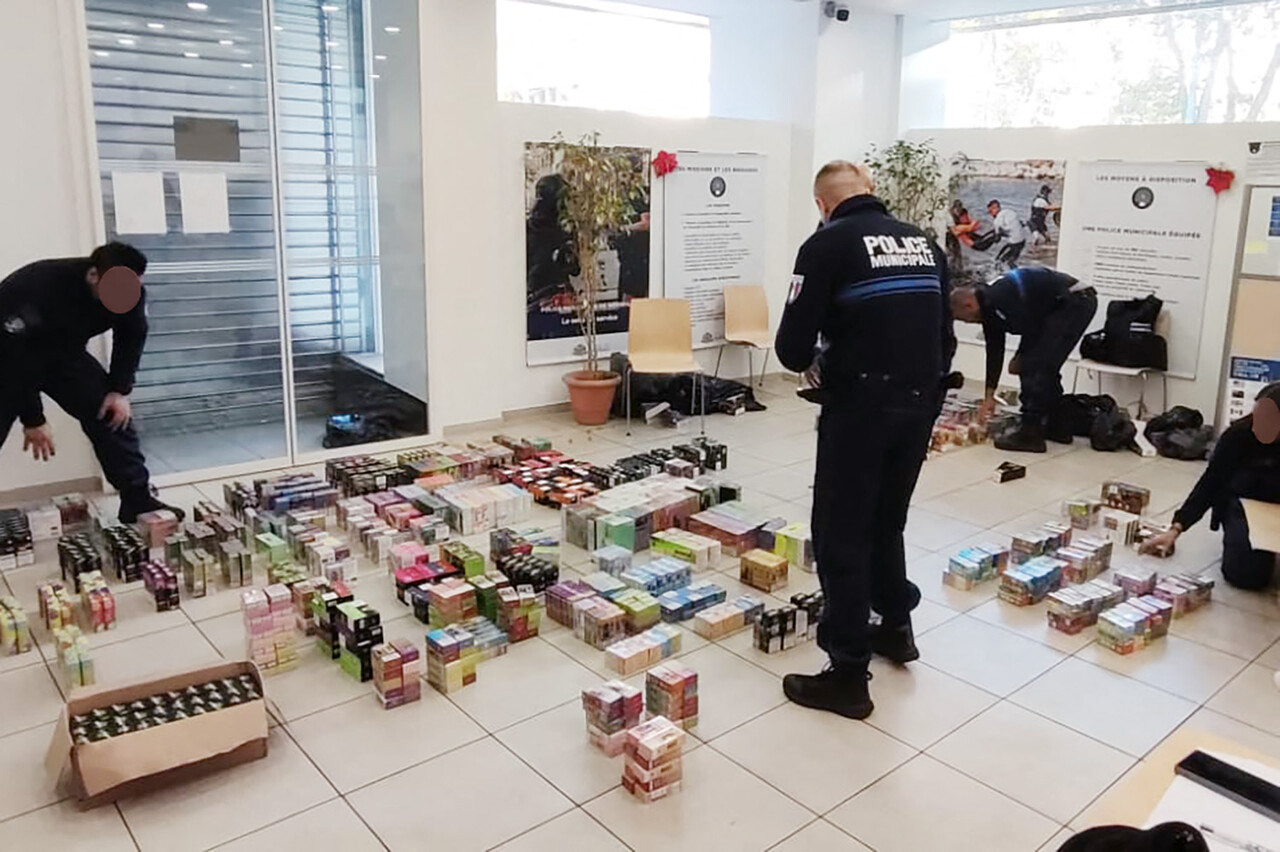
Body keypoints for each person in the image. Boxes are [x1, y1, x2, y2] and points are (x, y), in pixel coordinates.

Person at [774, 161, 954, 719]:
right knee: (886, 520)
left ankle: (848, 673)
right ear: (871, 193)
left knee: (840, 532)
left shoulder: (825, 245)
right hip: (922, 402)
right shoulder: (925, 243)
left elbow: (791, 349)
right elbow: (946, 335)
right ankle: (895, 626)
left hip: (861, 407)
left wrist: (825, 358)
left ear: (822, 205)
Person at [0, 242, 184, 522]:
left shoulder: (129, 291)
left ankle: (137, 499)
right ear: (93, 275)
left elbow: (132, 334)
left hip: (65, 355)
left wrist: (120, 390)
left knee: (111, 414)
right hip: (9, 355)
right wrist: (33, 418)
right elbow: (16, 360)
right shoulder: (37, 286)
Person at [1140, 382, 1280, 590]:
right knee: (1246, 576)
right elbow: (1210, 483)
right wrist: (1176, 528)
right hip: (1245, 505)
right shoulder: (1238, 436)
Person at [951, 266, 1098, 453]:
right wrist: (989, 395)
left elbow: (1033, 328)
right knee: (1043, 366)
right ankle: (1057, 426)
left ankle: (1030, 433)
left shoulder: (999, 297)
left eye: (964, 319)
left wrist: (1020, 356)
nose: (967, 322)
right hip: (1062, 304)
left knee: (1034, 365)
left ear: (969, 305)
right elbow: (994, 350)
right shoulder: (987, 306)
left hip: (1075, 301)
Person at [988, 199, 1028, 269]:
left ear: (997, 208)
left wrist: (990, 239)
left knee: (998, 260)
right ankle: (1018, 274)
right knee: (1011, 261)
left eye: (990, 211)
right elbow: (1021, 224)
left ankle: (998, 276)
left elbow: (997, 239)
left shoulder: (997, 221)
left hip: (1014, 243)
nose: (990, 214)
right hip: (1022, 241)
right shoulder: (1010, 212)